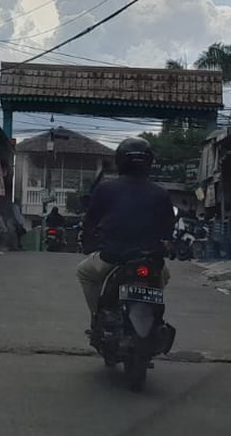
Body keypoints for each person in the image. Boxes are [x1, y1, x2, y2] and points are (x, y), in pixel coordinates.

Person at [75, 137, 175, 320]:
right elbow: (169, 227)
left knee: (84, 272)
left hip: (113, 256)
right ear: (149, 162)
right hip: (150, 258)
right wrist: (165, 244)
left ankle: (97, 316)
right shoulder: (160, 193)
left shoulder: (105, 189)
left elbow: (90, 221)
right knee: (164, 275)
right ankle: (155, 315)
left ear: (120, 161)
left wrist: (87, 241)